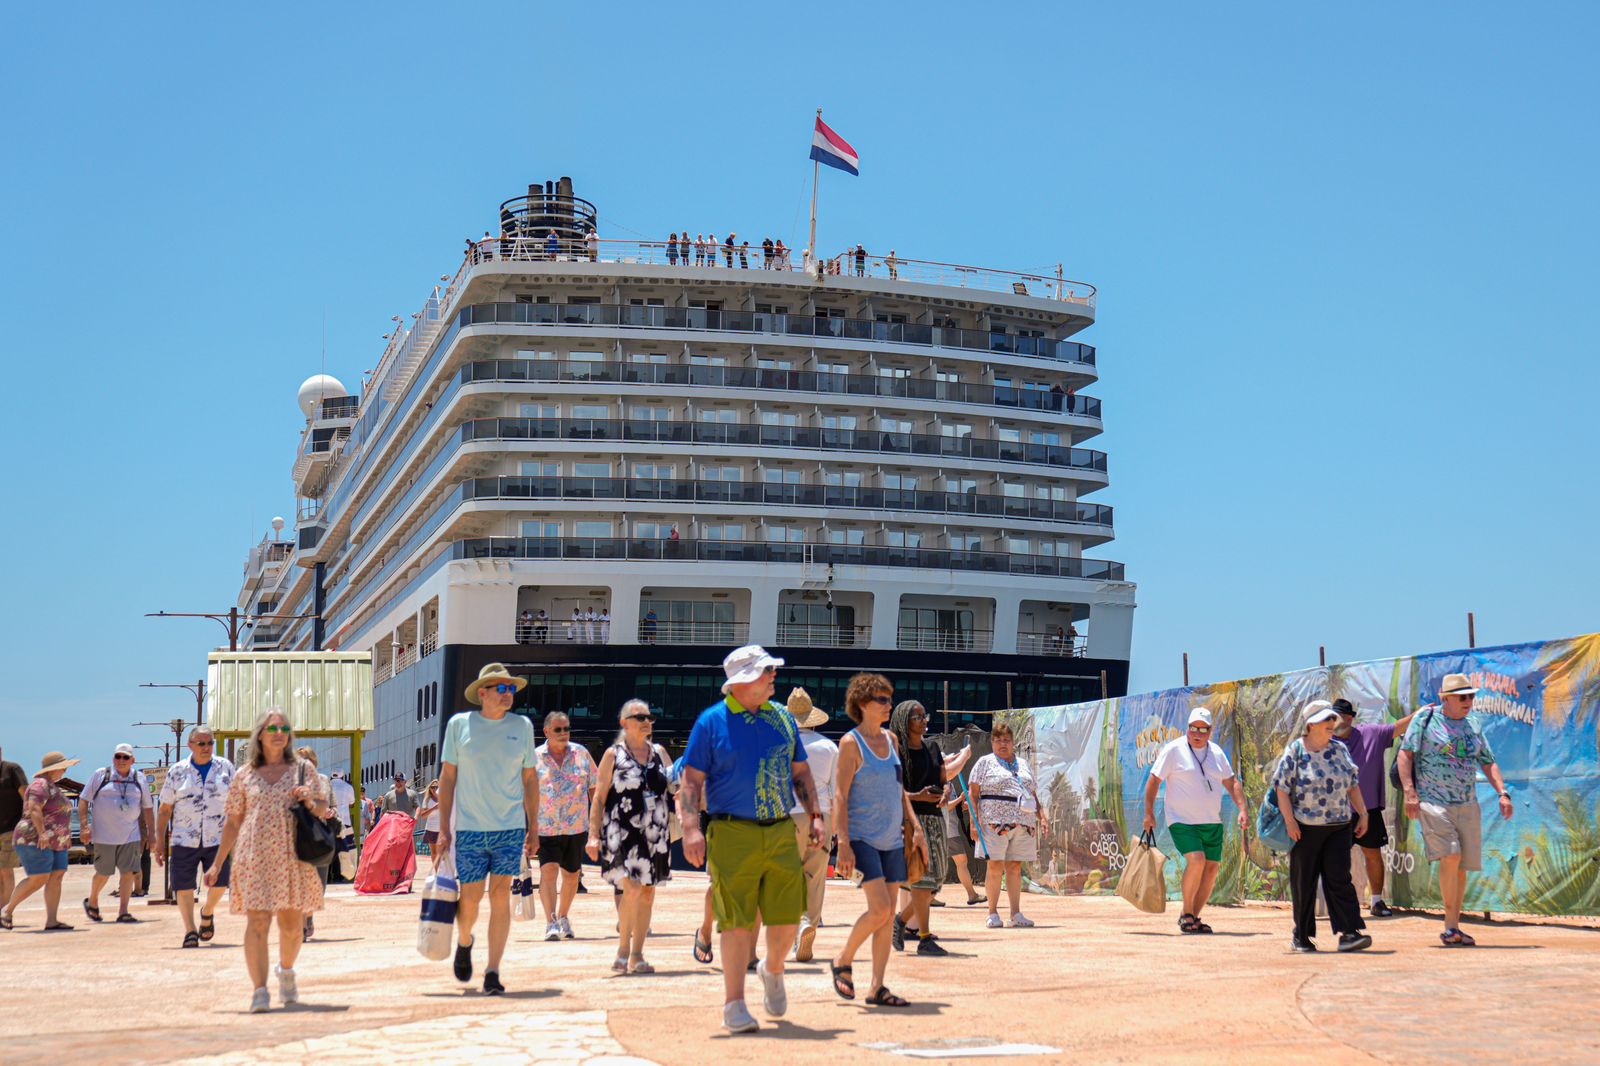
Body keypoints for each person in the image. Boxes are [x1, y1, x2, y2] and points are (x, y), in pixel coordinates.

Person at [677, 645, 825, 1034]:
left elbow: (801, 772)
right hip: (730, 831)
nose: (773, 676)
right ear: (743, 681)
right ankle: (734, 1004)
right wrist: (691, 829)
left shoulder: (783, 720)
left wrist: (816, 816)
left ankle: (772, 968)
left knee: (787, 919)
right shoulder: (711, 723)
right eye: (766, 672)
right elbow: (691, 781)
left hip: (779, 828)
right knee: (736, 921)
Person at [207, 710, 333, 1012]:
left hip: (292, 858)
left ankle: (286, 971)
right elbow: (234, 822)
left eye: (284, 727)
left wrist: (308, 800)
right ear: (260, 734)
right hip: (254, 858)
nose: (279, 732)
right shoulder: (244, 774)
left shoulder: (303, 769)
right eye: (272, 727)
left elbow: (323, 807)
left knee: (291, 926)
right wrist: (217, 862)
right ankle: (259, 990)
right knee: (258, 922)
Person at [436, 663, 541, 995]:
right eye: (501, 688)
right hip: (469, 828)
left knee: (499, 896)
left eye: (511, 689)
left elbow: (530, 779)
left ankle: (493, 970)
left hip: (509, 827)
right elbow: (448, 778)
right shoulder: (459, 726)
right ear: (482, 693)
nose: (508, 694)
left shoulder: (522, 727)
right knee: (469, 900)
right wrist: (443, 829)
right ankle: (465, 941)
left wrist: (534, 826)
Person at [829, 674, 927, 1008]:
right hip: (861, 838)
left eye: (889, 699)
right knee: (882, 909)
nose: (888, 705)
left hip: (893, 839)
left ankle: (877, 987)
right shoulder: (850, 744)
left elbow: (898, 789)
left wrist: (915, 826)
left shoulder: (892, 741)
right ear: (862, 705)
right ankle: (842, 959)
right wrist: (842, 842)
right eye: (882, 700)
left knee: (885, 917)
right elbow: (839, 795)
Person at [1397, 673, 1514, 947]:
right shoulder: (1426, 720)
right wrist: (1410, 793)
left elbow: (1487, 761)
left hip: (1467, 803)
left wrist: (1503, 793)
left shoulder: (1474, 724)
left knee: (1461, 866)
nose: (1468, 701)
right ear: (1446, 698)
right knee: (1451, 856)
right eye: (1462, 697)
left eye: (1471, 696)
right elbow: (1406, 754)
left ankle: (1454, 926)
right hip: (1433, 801)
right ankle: (1450, 927)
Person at [1271, 701, 1372, 953]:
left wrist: (1363, 813)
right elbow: (1281, 789)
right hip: (1305, 828)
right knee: (1304, 882)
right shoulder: (1296, 750)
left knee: (1339, 878)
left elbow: (1352, 783)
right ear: (1310, 725)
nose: (1332, 724)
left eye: (1332, 720)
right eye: (1326, 720)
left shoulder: (1339, 749)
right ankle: (1302, 936)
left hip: (1339, 825)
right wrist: (1290, 821)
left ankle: (1349, 932)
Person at [1142, 708, 1248, 934]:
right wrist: (1149, 813)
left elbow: (1232, 783)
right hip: (1181, 821)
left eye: (1202, 729)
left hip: (1211, 822)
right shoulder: (1174, 750)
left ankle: (1192, 917)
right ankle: (1187, 914)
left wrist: (1242, 809)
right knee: (1197, 860)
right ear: (1187, 728)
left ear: (1210, 731)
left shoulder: (1217, 753)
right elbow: (1153, 781)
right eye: (1193, 728)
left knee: (1211, 869)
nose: (1197, 733)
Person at [587, 700, 673, 974]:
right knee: (632, 889)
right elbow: (599, 798)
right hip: (623, 830)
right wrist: (592, 835)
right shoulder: (614, 755)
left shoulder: (659, 752)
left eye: (649, 716)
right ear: (624, 723)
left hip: (656, 831)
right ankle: (623, 949)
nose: (646, 721)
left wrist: (687, 816)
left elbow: (676, 788)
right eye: (639, 717)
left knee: (647, 894)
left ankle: (637, 955)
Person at [890, 699, 971, 955]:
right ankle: (924, 938)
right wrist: (917, 796)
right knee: (923, 883)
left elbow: (943, 779)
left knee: (934, 883)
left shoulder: (932, 748)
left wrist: (946, 791)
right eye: (917, 717)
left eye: (925, 716)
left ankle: (901, 921)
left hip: (936, 820)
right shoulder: (896, 752)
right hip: (912, 822)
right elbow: (892, 791)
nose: (924, 721)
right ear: (905, 721)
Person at [1331, 697, 1416, 917]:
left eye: (1337, 716)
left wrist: (1425, 711)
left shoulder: (1371, 733)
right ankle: (1335, 904)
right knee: (1334, 858)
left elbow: (1400, 727)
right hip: (1336, 812)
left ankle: (1377, 902)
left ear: (1350, 718)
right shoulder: (1325, 741)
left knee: (1373, 854)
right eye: (1330, 717)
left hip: (1368, 810)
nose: (1333, 722)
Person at [155, 726, 236, 948]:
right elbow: (164, 809)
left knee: (220, 884)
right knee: (183, 885)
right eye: (201, 743)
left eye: (209, 743)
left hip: (217, 839)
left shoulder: (226, 768)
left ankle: (207, 912)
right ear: (190, 745)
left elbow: (238, 804)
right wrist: (159, 841)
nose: (206, 747)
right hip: (184, 838)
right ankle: (190, 930)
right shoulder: (177, 771)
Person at [967, 722, 1046, 928]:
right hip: (994, 822)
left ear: (1013, 743)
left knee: (1015, 867)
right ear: (992, 742)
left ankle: (1016, 914)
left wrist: (1042, 817)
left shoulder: (1023, 764)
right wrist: (973, 823)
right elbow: (973, 795)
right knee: (994, 865)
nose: (1003, 744)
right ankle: (992, 913)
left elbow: (1033, 793)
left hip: (1023, 822)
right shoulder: (985, 762)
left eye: (1007, 740)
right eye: (998, 740)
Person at [536, 711, 597, 941]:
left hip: (576, 826)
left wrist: (596, 823)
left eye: (566, 729)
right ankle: (551, 922)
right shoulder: (535, 757)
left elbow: (595, 788)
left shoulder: (581, 754)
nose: (563, 734)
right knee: (548, 871)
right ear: (546, 732)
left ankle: (563, 916)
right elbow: (527, 794)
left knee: (572, 876)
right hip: (546, 827)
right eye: (558, 729)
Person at [786, 688, 838, 962]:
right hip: (822, 814)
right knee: (815, 878)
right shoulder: (829, 747)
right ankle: (808, 924)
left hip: (786, 815)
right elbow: (839, 791)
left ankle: (795, 928)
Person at [1, 751, 78, 931]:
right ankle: (6, 911)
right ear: (53, 769)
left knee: (56, 876)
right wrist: (42, 833)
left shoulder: (53, 786)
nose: (65, 770)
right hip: (34, 839)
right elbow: (34, 808)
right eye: (63, 767)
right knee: (39, 877)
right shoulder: (40, 785)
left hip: (57, 842)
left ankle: (52, 920)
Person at [80, 743, 153, 924]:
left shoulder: (140, 779)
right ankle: (93, 901)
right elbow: (83, 801)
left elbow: (148, 809)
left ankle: (123, 911)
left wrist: (152, 834)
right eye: (118, 757)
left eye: (125, 757)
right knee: (103, 873)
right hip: (104, 836)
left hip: (131, 835)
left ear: (132, 760)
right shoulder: (100, 776)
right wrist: (84, 826)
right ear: (113, 758)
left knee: (128, 873)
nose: (121, 760)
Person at [293, 747, 335, 939]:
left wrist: (330, 812)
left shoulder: (324, 780)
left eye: (308, 758)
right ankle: (301, 923)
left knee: (320, 884)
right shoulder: (291, 781)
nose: (304, 763)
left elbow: (332, 804)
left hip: (319, 835)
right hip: (298, 834)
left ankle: (308, 915)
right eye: (301, 759)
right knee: (299, 882)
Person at [940, 780, 984, 905]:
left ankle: (972, 895)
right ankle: (972, 895)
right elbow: (944, 807)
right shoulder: (941, 783)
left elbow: (951, 807)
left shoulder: (949, 784)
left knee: (958, 862)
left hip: (948, 829)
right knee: (961, 861)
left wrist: (963, 804)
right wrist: (960, 798)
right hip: (947, 829)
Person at [0, 745, 27, 910]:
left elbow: (26, 795)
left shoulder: (11, 769)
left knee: (6, 871)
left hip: (11, 829)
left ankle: (4, 911)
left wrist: (26, 822)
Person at [327, 769, 357, 884]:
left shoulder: (327, 785)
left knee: (330, 848)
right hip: (345, 821)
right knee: (343, 848)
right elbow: (352, 802)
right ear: (342, 776)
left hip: (330, 820)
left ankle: (328, 876)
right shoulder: (347, 787)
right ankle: (339, 875)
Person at [417, 779, 442, 852]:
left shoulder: (444, 799)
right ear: (429, 788)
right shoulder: (427, 800)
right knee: (434, 853)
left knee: (441, 853)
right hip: (431, 829)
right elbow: (423, 816)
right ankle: (435, 864)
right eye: (432, 787)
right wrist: (434, 808)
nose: (434, 789)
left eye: (436, 787)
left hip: (442, 830)